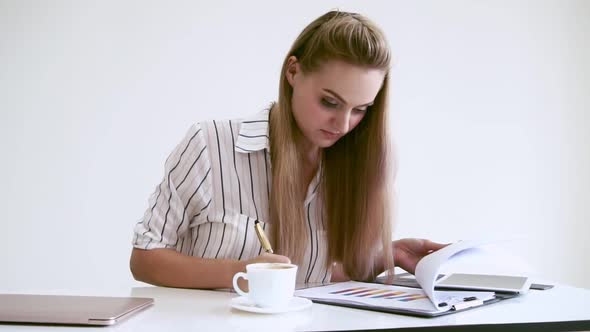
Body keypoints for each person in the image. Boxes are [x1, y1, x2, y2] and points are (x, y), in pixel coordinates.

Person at [130, 10, 445, 289]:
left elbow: (313, 276)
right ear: (293, 72)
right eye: (329, 102)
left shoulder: (358, 164)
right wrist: (238, 273)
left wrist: (386, 257)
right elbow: (144, 259)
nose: (344, 123)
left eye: (361, 109)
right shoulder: (209, 145)